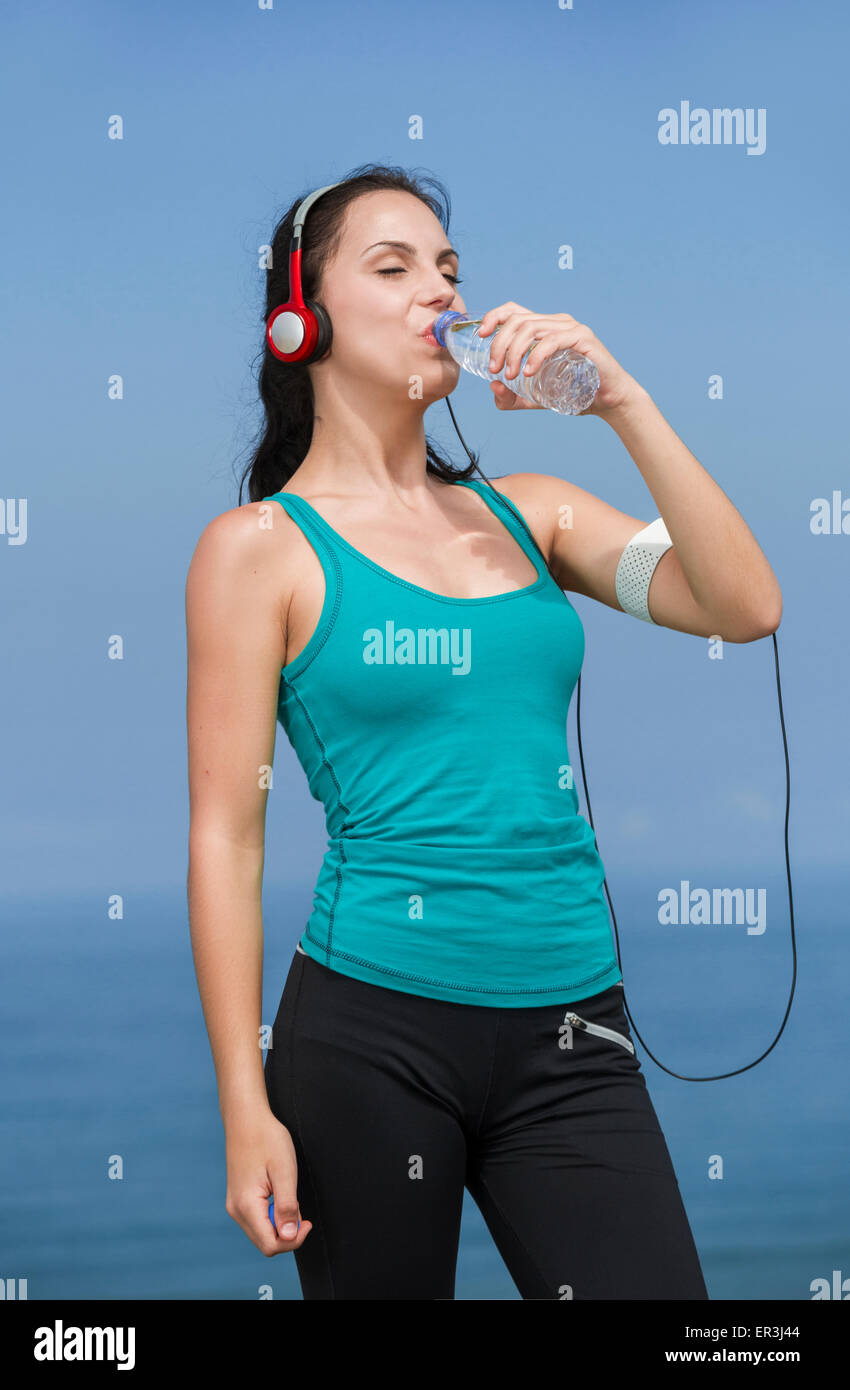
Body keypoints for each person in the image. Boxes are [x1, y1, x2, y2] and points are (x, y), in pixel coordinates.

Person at [185, 163, 782, 1300]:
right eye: (394, 266)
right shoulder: (255, 549)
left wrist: (620, 399)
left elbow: (743, 605)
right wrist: (241, 1103)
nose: (438, 292)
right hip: (367, 1036)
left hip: (573, 1033)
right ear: (299, 316)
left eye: (448, 269)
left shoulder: (535, 513)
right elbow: (226, 838)